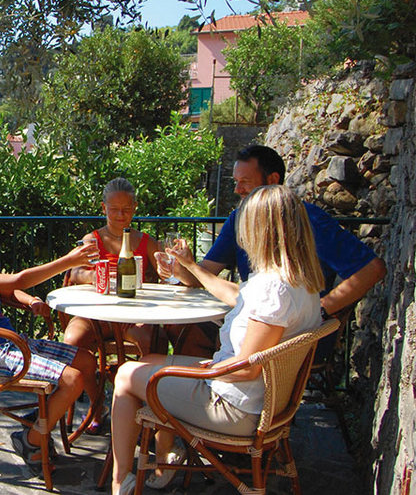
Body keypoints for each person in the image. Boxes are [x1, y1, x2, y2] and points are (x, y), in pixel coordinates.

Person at [110, 185, 325, 495]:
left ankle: (120, 482)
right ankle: (164, 455)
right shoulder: (298, 282)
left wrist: (208, 370)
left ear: (261, 229)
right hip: (259, 398)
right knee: (146, 362)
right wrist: (191, 267)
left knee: (125, 374)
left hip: (234, 408)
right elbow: (238, 296)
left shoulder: (273, 289)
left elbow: (247, 368)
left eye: (245, 223)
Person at [166, 144, 386, 355]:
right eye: (236, 182)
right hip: (256, 322)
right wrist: (180, 268)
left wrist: (321, 309)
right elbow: (205, 278)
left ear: (272, 180)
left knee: (187, 335)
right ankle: (196, 375)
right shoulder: (238, 219)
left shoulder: (306, 220)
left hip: (290, 338)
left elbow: (373, 269)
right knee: (178, 326)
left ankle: (191, 376)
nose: (237, 189)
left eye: (245, 182)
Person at [0, 212, 102, 473]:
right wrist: (68, 261)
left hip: (15, 344)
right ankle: (31, 440)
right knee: (72, 379)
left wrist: (31, 301)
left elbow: (9, 290)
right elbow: (19, 280)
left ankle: (38, 419)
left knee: (86, 360)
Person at [63, 178, 163, 363]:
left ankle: (138, 380)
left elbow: (166, 273)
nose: (120, 215)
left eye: (126, 209)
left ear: (134, 208)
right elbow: (74, 273)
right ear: (104, 208)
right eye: (114, 209)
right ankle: (87, 381)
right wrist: (93, 276)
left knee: (154, 340)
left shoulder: (146, 242)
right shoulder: (92, 240)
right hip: (95, 314)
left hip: (134, 317)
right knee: (72, 340)